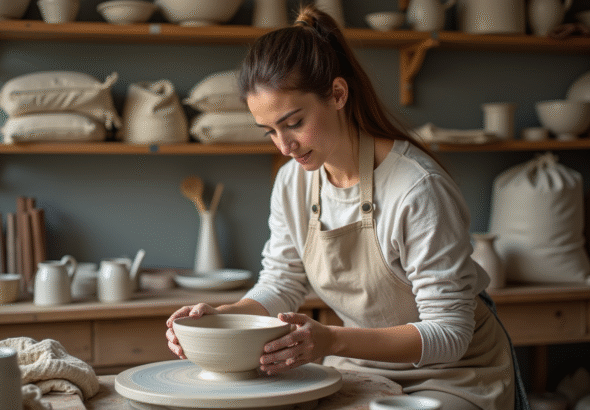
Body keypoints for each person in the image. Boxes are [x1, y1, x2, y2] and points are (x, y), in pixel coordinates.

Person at [166, 5, 530, 410]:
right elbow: (281, 284)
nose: (284, 146)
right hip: (361, 363)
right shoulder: (293, 180)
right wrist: (222, 316)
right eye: (269, 131)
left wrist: (332, 338)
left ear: (338, 94)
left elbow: (449, 334)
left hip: (455, 373)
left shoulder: (416, 188)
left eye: (293, 122)